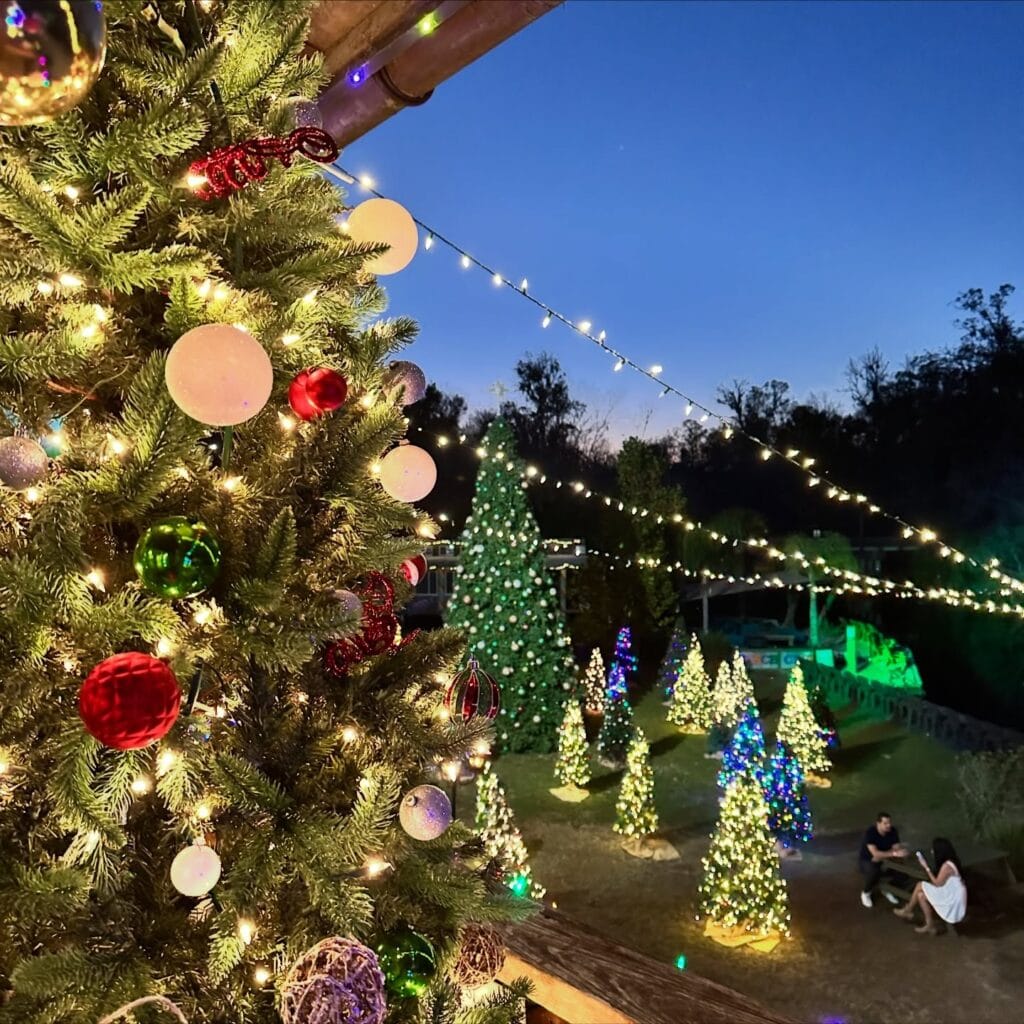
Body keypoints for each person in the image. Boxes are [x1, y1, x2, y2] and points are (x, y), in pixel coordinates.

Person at [894, 837, 967, 935]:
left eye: (933, 849)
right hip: (949, 892)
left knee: (920, 885)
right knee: (921, 895)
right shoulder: (949, 862)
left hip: (952, 898)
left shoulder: (947, 866)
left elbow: (937, 883)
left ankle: (908, 910)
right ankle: (929, 924)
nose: (932, 851)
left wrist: (926, 867)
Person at [858, 811, 909, 907]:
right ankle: (866, 892)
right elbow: (875, 854)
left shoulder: (893, 831)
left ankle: (888, 889)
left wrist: (894, 853)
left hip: (885, 858)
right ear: (878, 824)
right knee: (874, 872)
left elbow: (896, 848)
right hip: (867, 860)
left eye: (889, 822)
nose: (888, 825)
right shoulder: (870, 833)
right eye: (885, 823)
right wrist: (893, 853)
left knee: (902, 873)